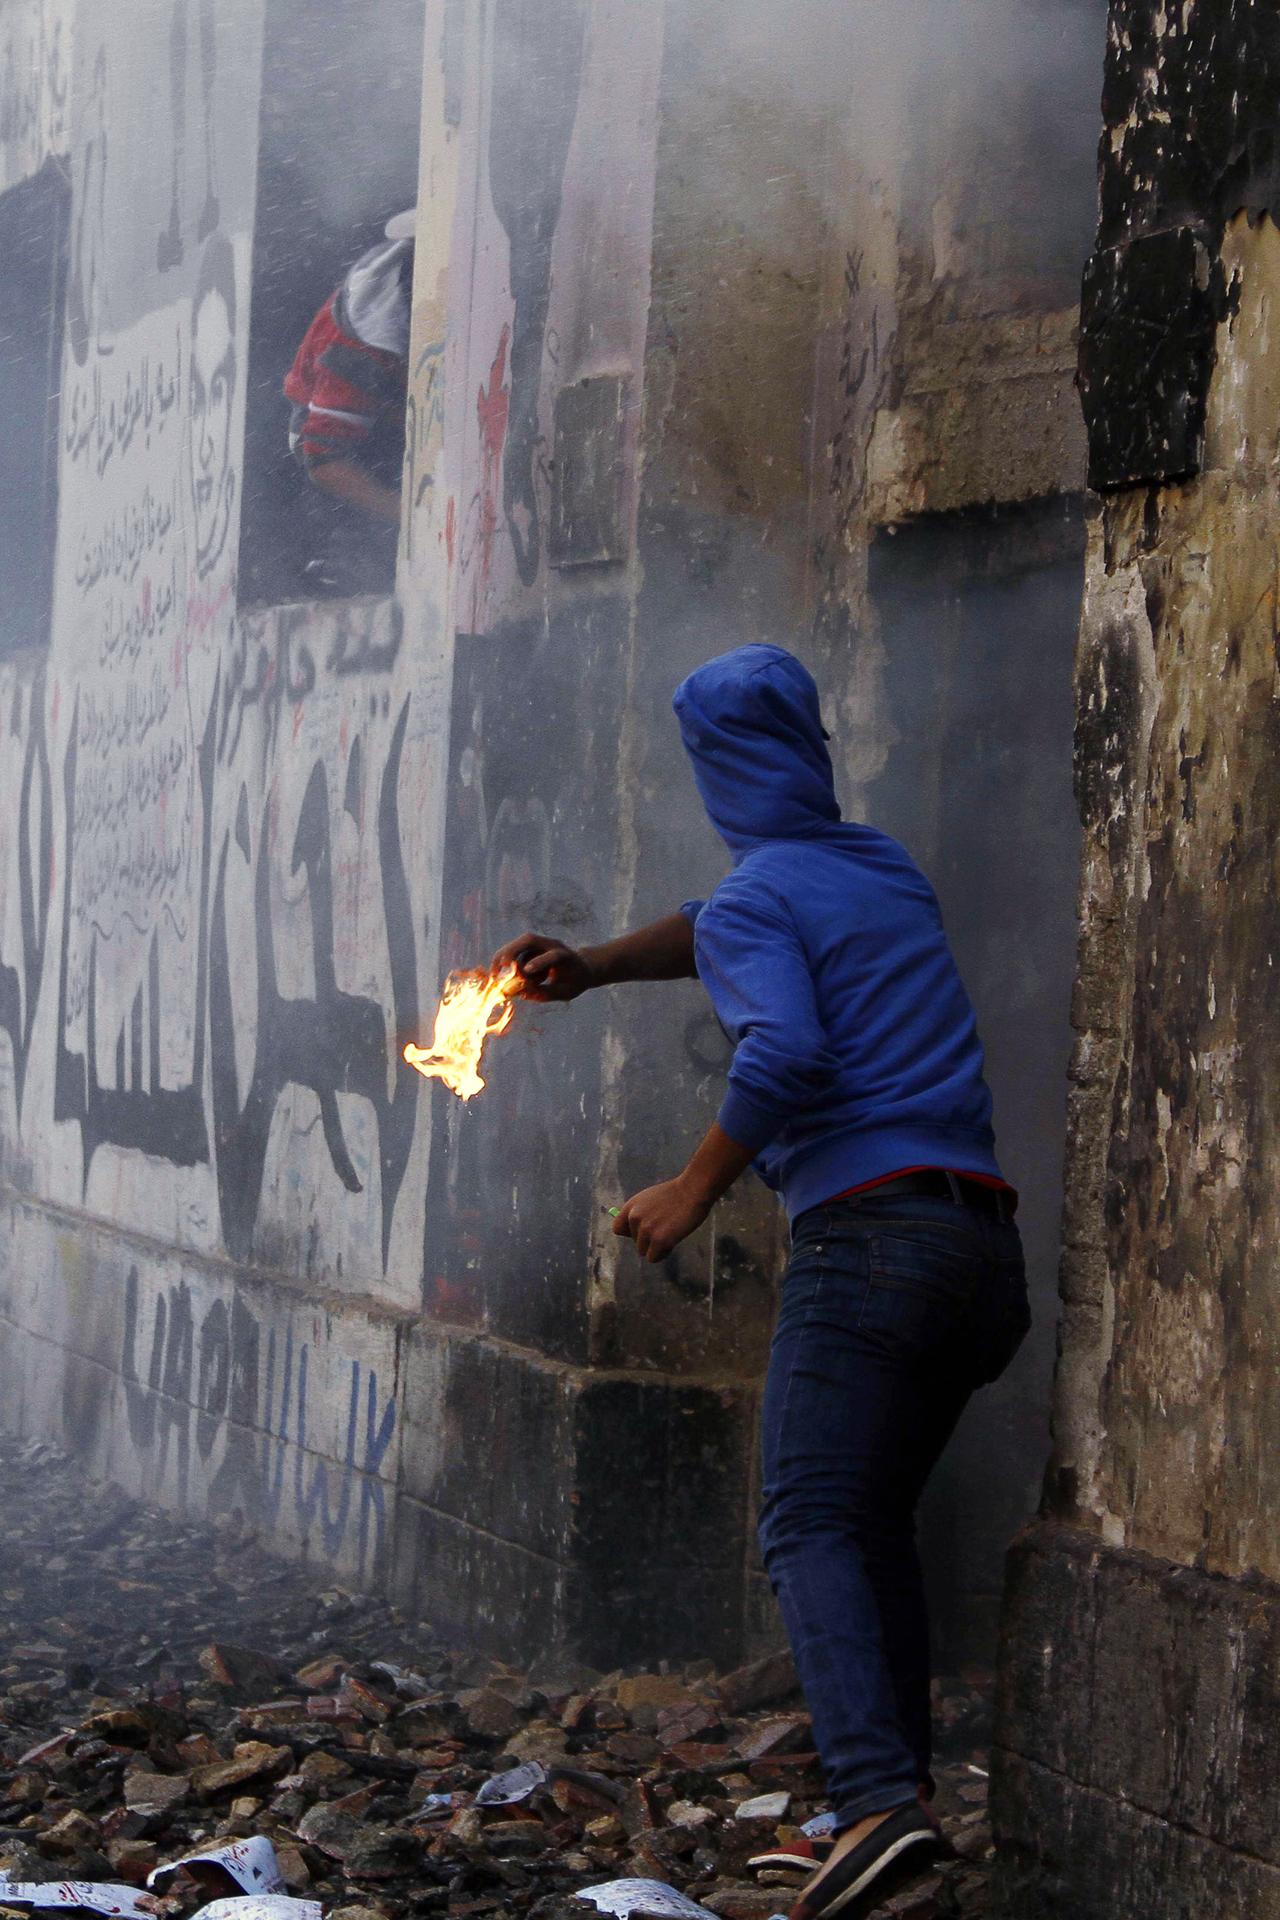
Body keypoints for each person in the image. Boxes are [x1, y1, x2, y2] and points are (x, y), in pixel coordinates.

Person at [491, 643, 1030, 1920]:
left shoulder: (755, 904)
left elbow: (782, 1039)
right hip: (978, 1253)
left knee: (802, 1518)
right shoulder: (879, 867)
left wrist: (692, 1187)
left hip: (869, 1245)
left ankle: (872, 1807)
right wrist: (599, 965)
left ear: (714, 775)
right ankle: (893, 1812)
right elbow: (736, 918)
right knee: (865, 1516)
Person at [284, 209, 415, 530]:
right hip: (351, 470)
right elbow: (325, 459)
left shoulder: (400, 279)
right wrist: (412, 521)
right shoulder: (358, 351)